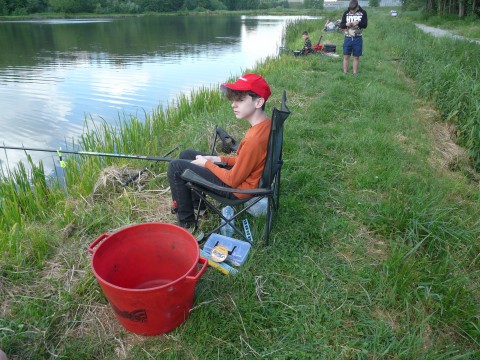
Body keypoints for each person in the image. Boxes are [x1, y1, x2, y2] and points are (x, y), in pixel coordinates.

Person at [167, 73, 272, 230]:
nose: (233, 105)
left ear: (259, 102)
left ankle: (188, 225)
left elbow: (232, 180)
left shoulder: (254, 140)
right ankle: (198, 207)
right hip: (244, 179)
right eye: (234, 100)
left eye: (240, 100)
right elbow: (246, 160)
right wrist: (216, 159)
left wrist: (207, 164)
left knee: (175, 167)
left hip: (236, 190)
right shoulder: (265, 125)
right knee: (187, 154)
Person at [340, 0, 368, 76]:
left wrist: (358, 23)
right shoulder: (346, 13)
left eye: (353, 10)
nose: (351, 11)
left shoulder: (363, 13)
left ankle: (355, 72)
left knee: (356, 56)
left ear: (357, 7)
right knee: (346, 55)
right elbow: (341, 25)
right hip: (348, 38)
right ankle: (345, 72)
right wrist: (346, 24)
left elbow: (365, 25)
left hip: (358, 38)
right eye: (350, 9)